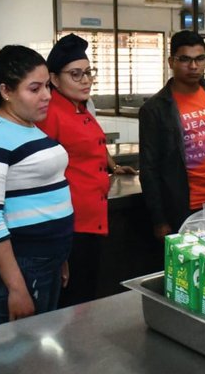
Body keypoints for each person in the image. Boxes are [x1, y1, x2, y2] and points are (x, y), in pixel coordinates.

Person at [0, 45, 73, 323]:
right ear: (5, 91)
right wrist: (16, 287)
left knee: (45, 341)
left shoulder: (28, 126)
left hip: (47, 257)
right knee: (24, 355)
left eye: (47, 86)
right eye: (34, 89)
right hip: (24, 263)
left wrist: (60, 255)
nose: (47, 96)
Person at [37, 33, 136, 307]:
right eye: (75, 74)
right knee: (73, 302)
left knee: (87, 295)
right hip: (71, 226)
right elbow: (44, 176)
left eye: (88, 73)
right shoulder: (50, 113)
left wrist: (113, 166)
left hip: (91, 221)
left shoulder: (79, 108)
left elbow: (91, 146)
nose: (85, 80)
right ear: (54, 79)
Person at [139, 31, 205, 240]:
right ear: (171, 61)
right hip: (184, 207)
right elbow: (149, 169)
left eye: (200, 59)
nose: (194, 66)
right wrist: (159, 220)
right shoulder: (156, 109)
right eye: (185, 59)